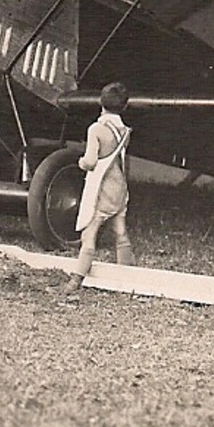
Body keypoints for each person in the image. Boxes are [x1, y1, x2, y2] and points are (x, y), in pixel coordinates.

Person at [62, 81, 136, 296]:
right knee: (120, 231)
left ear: (100, 102)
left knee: (90, 233)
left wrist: (80, 163)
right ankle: (126, 274)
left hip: (101, 188)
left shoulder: (96, 128)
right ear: (124, 106)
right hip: (119, 186)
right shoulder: (124, 130)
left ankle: (76, 280)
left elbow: (91, 161)